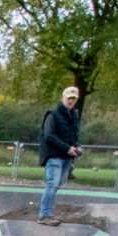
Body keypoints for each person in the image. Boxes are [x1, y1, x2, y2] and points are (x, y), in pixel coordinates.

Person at [37, 86, 84, 223]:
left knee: (58, 184)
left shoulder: (73, 117)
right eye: (69, 98)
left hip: (65, 157)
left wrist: (76, 148)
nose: (71, 101)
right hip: (54, 155)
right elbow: (49, 135)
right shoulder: (53, 115)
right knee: (52, 183)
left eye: (74, 99)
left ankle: (47, 212)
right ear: (63, 98)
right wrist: (67, 148)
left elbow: (73, 137)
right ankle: (44, 214)